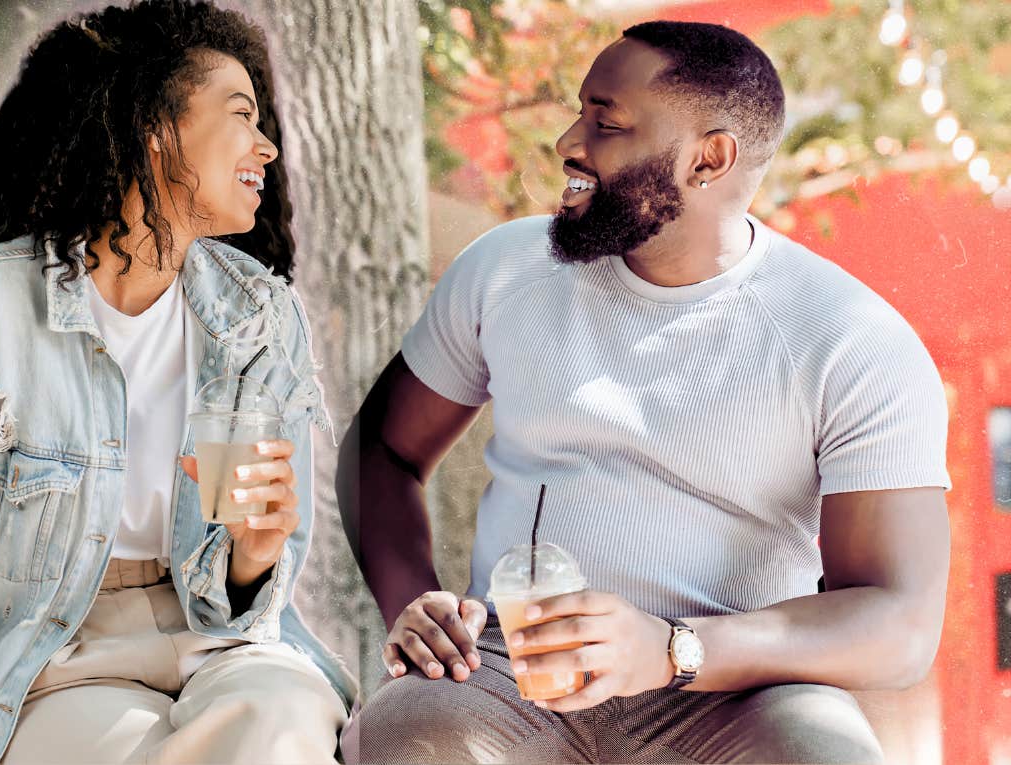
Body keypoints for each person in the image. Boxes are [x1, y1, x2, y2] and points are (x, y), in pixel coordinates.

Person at [337, 20, 949, 765]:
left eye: (606, 124)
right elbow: (383, 448)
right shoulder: (506, 270)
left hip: (739, 688)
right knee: (401, 736)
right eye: (579, 113)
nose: (569, 141)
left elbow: (899, 622)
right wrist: (412, 598)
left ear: (708, 159)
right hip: (508, 669)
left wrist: (673, 649)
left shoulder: (851, 340)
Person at [0, 3, 353, 763]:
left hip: (218, 640)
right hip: (59, 652)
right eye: (241, 115)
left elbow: (245, 594)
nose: (268, 145)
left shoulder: (260, 318)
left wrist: (255, 551)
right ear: (156, 128)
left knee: (284, 716)